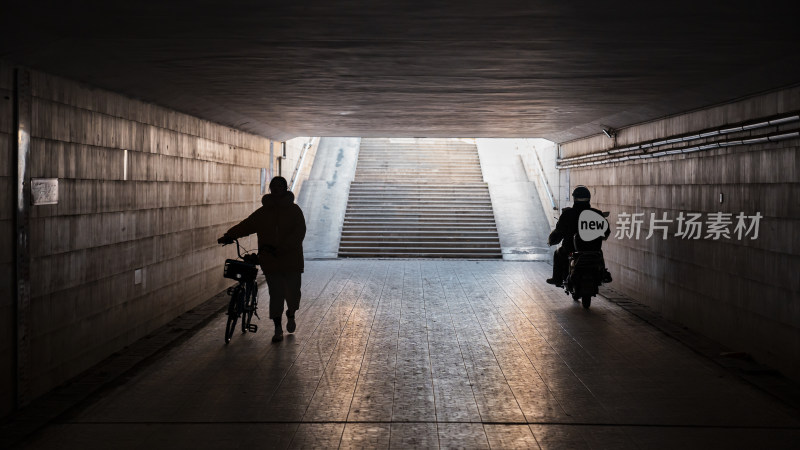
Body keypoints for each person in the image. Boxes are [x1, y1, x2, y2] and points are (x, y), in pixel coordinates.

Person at [218, 176, 306, 343]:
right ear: (271, 189)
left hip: (291, 260)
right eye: (274, 186)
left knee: (293, 294)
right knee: (276, 294)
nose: (277, 189)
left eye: (280, 186)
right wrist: (229, 235)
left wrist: (283, 247)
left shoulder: (294, 211)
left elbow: (299, 233)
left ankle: (291, 313)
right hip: (270, 260)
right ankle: (278, 327)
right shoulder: (263, 212)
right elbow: (247, 225)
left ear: (285, 188)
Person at [546, 185, 610, 286]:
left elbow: (559, 230)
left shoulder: (567, 214)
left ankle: (557, 279)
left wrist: (553, 239)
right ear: (589, 198)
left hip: (570, 248)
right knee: (599, 254)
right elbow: (606, 232)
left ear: (574, 198)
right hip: (593, 249)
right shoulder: (596, 214)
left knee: (558, 254)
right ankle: (603, 274)